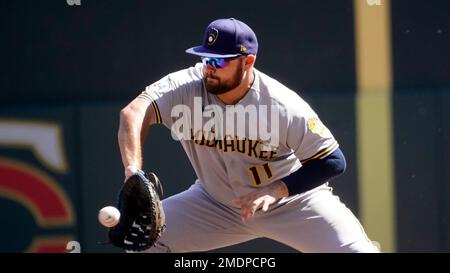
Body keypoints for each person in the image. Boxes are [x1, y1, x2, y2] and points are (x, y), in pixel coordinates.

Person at [118, 18, 379, 253]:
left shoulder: (281, 104)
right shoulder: (187, 85)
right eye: (205, 58)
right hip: (214, 203)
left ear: (248, 61)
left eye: (219, 61)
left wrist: (278, 190)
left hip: (293, 203)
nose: (209, 67)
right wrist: (133, 171)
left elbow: (333, 161)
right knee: (144, 244)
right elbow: (133, 113)